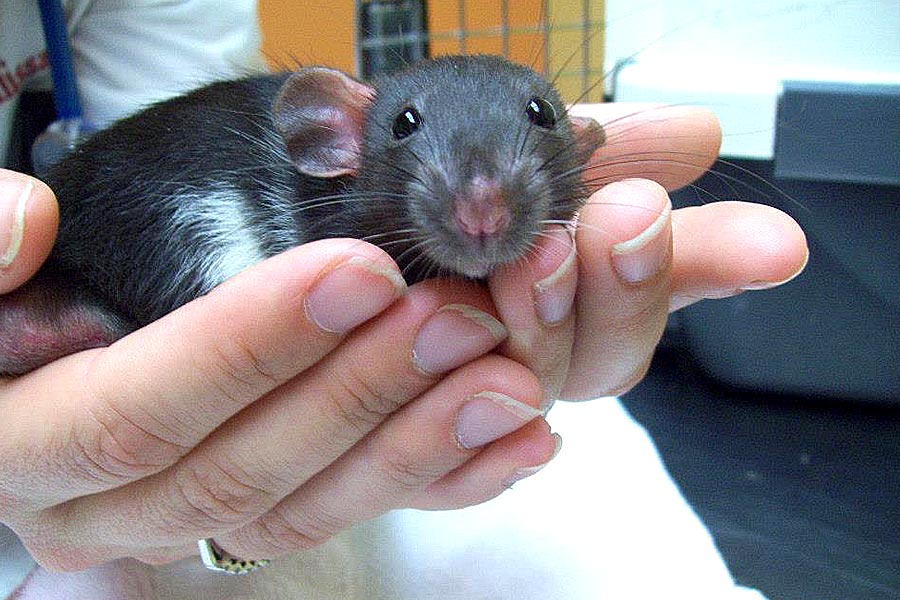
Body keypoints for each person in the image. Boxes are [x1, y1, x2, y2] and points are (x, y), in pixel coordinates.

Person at [0, 1, 809, 597]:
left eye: (536, 120)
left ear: (580, 154)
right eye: (411, 128)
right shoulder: (282, 197)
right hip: (80, 325)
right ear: (336, 144)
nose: (483, 199)